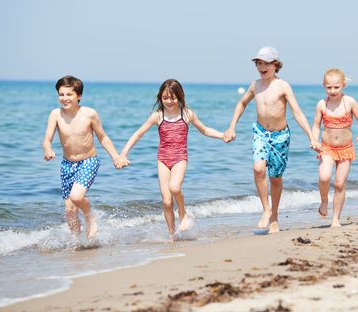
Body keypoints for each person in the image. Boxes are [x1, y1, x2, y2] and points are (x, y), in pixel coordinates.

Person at [223, 46, 318, 234]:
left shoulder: (283, 86)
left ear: (276, 65)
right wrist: (232, 126)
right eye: (259, 63)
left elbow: (297, 113)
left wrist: (312, 137)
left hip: (280, 136)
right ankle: (266, 209)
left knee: (275, 178)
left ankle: (274, 215)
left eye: (266, 63)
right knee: (258, 168)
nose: (262, 66)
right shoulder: (255, 85)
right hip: (260, 133)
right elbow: (242, 103)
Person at [115, 79, 224, 238]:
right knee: (166, 201)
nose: (169, 101)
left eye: (173, 98)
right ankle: (173, 235)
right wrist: (123, 154)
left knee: (174, 188)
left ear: (180, 97)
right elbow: (138, 134)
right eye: (165, 98)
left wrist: (223, 135)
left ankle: (183, 212)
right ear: (160, 98)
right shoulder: (158, 116)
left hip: (180, 157)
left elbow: (205, 130)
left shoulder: (187, 114)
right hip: (163, 159)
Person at [43, 75, 120, 239]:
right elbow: (47, 140)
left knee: (76, 197)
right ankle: (77, 243)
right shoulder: (55, 115)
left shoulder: (89, 114)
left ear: (79, 96)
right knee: (70, 209)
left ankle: (90, 217)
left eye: (69, 94)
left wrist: (115, 157)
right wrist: (48, 150)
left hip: (88, 161)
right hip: (66, 164)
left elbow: (103, 137)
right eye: (61, 94)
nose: (64, 98)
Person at [312, 68, 358, 227]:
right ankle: (324, 201)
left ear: (343, 85)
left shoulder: (349, 102)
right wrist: (315, 140)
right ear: (324, 85)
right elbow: (316, 125)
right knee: (324, 177)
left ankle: (335, 219)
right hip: (327, 148)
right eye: (329, 87)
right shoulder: (322, 104)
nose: (333, 90)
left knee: (339, 184)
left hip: (345, 149)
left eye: (336, 87)